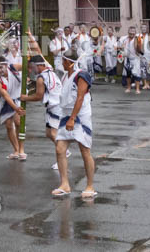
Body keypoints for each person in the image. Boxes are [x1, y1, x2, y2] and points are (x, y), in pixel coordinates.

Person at [52, 49, 97, 199]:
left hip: (80, 116)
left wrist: (73, 118)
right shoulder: (66, 75)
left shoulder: (81, 75)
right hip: (66, 114)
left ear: (68, 62)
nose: (61, 63)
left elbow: (80, 98)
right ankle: (64, 184)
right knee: (60, 149)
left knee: (84, 150)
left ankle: (90, 186)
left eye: (63, 61)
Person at [19, 54, 69, 170]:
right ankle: (63, 150)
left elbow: (39, 96)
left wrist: (26, 98)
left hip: (56, 106)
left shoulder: (41, 78)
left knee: (54, 133)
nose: (31, 70)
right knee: (48, 133)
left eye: (32, 67)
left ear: (39, 65)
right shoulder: (50, 70)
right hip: (54, 106)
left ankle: (62, 154)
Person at [0, 55, 25, 160]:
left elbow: (26, 66)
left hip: (18, 98)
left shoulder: (13, 67)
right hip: (6, 102)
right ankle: (16, 149)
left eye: (1, 67)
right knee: (9, 126)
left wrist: (27, 75)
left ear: (6, 65)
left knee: (18, 122)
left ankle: (21, 149)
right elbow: (5, 95)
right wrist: (15, 108)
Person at [125, 26, 144, 94]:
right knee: (128, 74)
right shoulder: (125, 39)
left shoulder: (137, 39)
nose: (132, 33)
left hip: (136, 58)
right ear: (128, 32)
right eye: (130, 31)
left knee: (137, 74)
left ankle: (137, 89)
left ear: (135, 32)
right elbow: (121, 45)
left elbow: (138, 49)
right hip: (128, 58)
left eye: (133, 32)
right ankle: (128, 88)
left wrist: (138, 45)